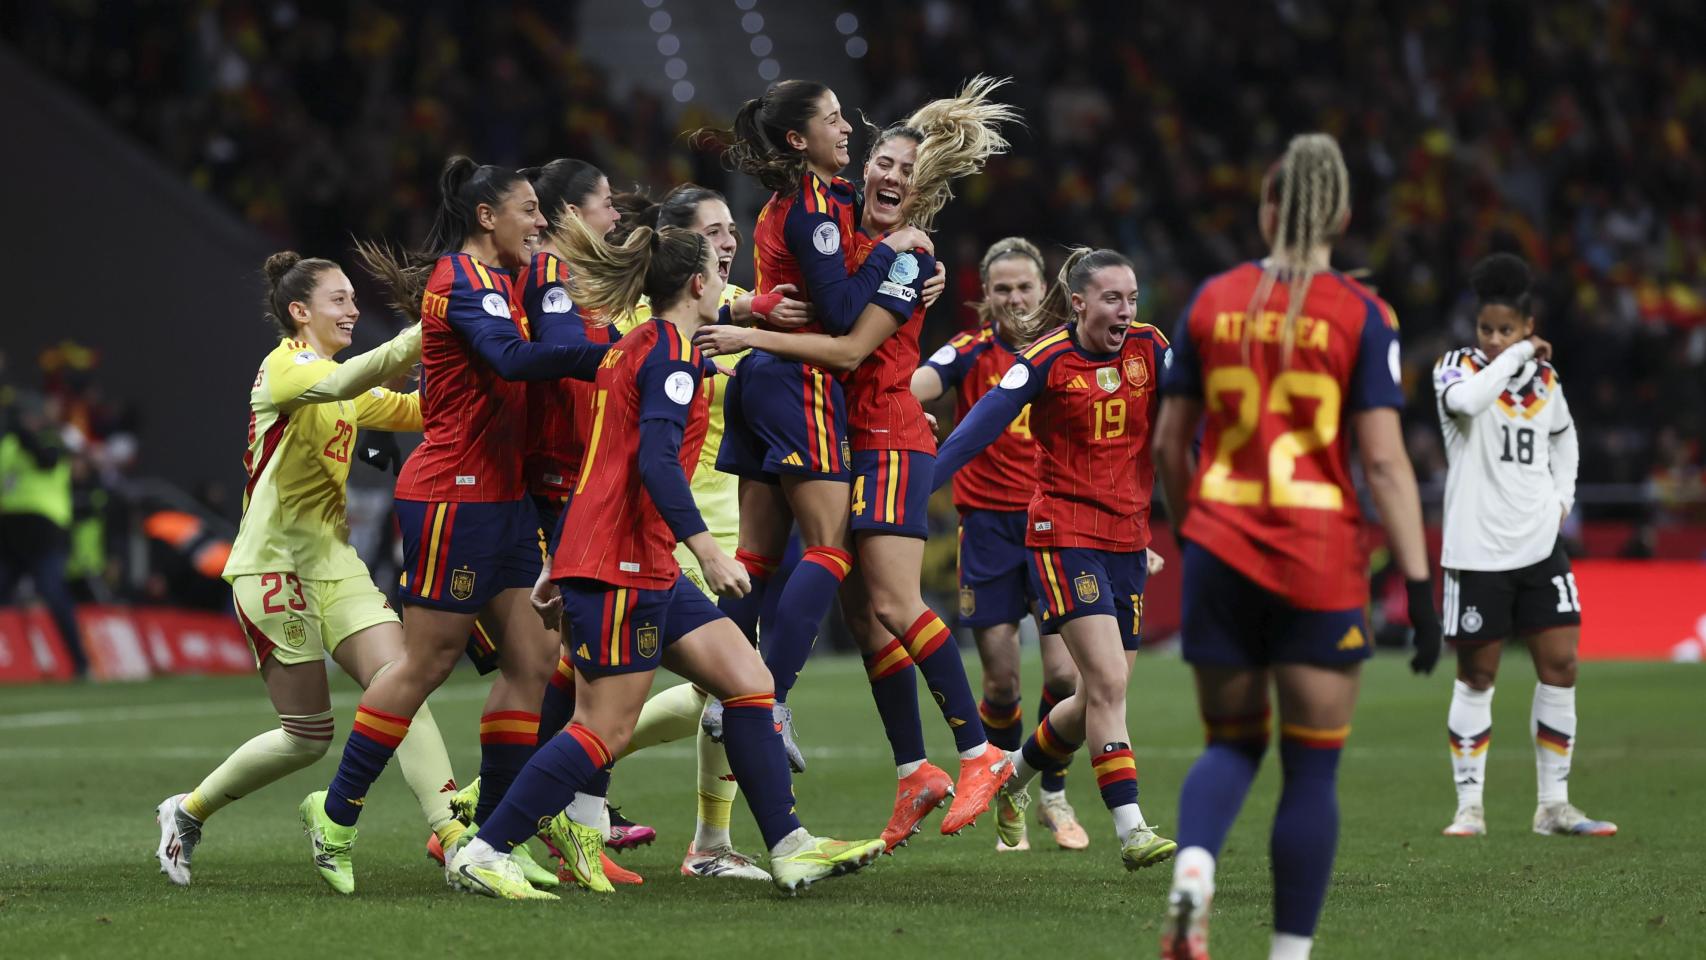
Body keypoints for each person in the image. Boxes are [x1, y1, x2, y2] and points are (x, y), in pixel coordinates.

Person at [446, 213, 885, 900]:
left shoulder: (639, 345)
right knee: (604, 727)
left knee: (748, 680)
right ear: (697, 284)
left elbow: (602, 458)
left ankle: (790, 847)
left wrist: (558, 559)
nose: (726, 284)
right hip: (620, 563)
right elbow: (652, 459)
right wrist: (708, 551)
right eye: (717, 272)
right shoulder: (671, 355)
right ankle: (484, 850)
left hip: (631, 557)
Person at [694, 79, 1021, 846]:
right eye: (883, 161)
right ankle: (914, 772)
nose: (888, 175)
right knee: (866, 619)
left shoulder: (906, 262)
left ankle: (979, 751)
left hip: (889, 435)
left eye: (906, 171)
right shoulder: (843, 222)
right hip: (843, 426)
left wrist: (748, 333)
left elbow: (847, 347)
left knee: (893, 603)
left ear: (920, 190)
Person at [1151, 133, 1442, 960]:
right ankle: (1288, 953)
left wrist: (1195, 528)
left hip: (1221, 544)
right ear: (1343, 217)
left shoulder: (1211, 300)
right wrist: (1419, 589)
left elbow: (1169, 444)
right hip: (1319, 557)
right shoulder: (1363, 314)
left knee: (1231, 743)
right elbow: (1383, 461)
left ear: (1266, 210)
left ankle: (1195, 869)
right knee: (1311, 768)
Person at [300, 156, 611, 895]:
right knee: (426, 663)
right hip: (452, 495)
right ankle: (334, 814)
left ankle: (493, 840)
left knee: (532, 662)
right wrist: (615, 356)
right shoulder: (459, 281)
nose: (540, 222)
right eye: (529, 210)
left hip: (505, 499)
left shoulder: (510, 280)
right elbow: (510, 360)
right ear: (487, 217)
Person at [154, 252, 461, 887]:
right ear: (300, 311)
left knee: (401, 684)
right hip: (273, 568)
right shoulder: (286, 369)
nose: (352, 310)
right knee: (307, 735)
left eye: (353, 299)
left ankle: (455, 837)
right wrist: (431, 322)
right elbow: (351, 381)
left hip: (334, 563)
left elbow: (414, 411)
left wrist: (462, 368)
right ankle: (187, 811)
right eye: (339, 299)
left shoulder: (339, 380)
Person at [698, 79, 932, 768]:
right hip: (797, 381)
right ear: (800, 139)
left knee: (757, 556)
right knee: (830, 548)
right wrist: (895, 253)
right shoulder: (813, 209)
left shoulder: (817, 200)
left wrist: (915, 260)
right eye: (832, 119)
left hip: (759, 381)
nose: (847, 128)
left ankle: (724, 692)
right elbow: (840, 316)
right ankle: (765, 698)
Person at [931, 247, 1176, 874]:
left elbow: (1198, 403)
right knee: (1102, 684)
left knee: (1089, 694)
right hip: (1063, 534)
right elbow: (982, 423)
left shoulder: (1151, 348)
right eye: (1113, 299)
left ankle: (1011, 777)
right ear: (1080, 303)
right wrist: (921, 483)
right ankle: (1131, 827)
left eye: (1132, 298)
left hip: (1127, 539)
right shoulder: (1044, 359)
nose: (1126, 311)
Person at [912, 236, 1090, 852]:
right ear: (985, 296)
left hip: (1054, 525)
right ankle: (1007, 791)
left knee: (1065, 674)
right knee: (1001, 685)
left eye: (1025, 287)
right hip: (986, 531)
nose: (1015, 298)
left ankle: (1051, 793)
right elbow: (917, 383)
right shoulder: (969, 351)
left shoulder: (1067, 351)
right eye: (1003, 288)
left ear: (1045, 291)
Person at [1433, 253, 1613, 839]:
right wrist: (1517, 354)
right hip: (1477, 550)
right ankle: (1469, 808)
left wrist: (1562, 498)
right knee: (1477, 675)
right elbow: (1468, 403)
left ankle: (1553, 807)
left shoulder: (1546, 382)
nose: (1492, 339)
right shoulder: (1455, 369)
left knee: (1561, 665)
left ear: (1528, 325)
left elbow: (1565, 438)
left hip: (1539, 544)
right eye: (1486, 328)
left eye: (1505, 329)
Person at [0, 391, 86, 677]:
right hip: (10, 528)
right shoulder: (9, 444)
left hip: (44, 528)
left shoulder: (51, 438)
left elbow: (46, 460)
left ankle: (81, 663)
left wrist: (23, 433)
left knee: (51, 591)